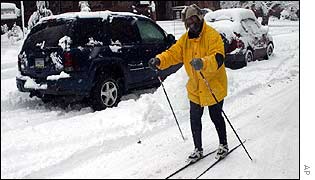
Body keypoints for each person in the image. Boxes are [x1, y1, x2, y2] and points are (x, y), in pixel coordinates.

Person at [148, 4, 228, 162]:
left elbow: (219, 57)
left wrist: (204, 63)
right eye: (188, 21)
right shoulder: (185, 40)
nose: (192, 23)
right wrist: (159, 60)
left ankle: (223, 144)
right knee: (194, 118)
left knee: (215, 115)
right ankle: (198, 149)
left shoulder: (212, 35)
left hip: (213, 84)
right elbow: (173, 54)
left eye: (194, 19)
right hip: (195, 86)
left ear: (200, 18)